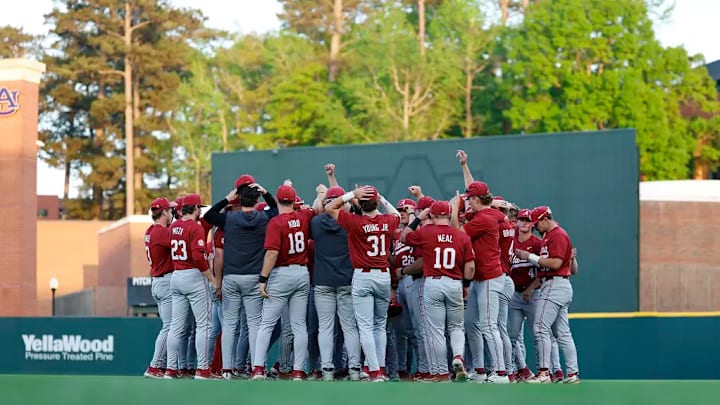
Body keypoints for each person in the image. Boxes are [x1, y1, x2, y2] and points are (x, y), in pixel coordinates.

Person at [203, 175, 278, 379]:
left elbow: (209, 215)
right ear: (256, 201)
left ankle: (227, 369)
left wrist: (228, 198)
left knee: (230, 324)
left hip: (231, 278)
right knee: (254, 324)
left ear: (239, 199)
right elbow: (277, 209)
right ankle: (256, 368)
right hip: (253, 278)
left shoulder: (229, 219)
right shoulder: (263, 218)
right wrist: (266, 193)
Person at [325, 186, 400, 382]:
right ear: (375, 202)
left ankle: (374, 371)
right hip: (383, 275)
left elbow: (331, 208)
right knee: (379, 325)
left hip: (363, 276)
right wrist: (382, 197)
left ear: (361, 203)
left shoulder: (355, 222)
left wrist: (351, 195)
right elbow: (397, 214)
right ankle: (380, 369)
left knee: (366, 327)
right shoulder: (387, 221)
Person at [402, 200, 475, 382]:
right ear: (450, 215)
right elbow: (470, 268)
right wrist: (466, 285)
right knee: (456, 327)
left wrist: (418, 218)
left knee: (436, 330)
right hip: (454, 283)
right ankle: (458, 356)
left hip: (433, 282)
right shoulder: (461, 236)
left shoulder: (427, 232)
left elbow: (404, 237)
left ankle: (441, 372)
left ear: (432, 215)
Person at [252, 185, 315, 381]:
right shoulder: (304, 216)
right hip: (302, 273)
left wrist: (263, 278)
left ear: (278, 201)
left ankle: (258, 369)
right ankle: (297, 370)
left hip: (281, 274)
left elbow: (272, 253)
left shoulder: (275, 222)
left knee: (266, 324)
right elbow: (316, 206)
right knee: (299, 325)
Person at [451, 182, 509, 384]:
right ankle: (480, 370)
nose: (468, 202)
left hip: (490, 277)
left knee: (489, 325)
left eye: (470, 199)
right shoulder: (489, 214)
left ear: (477, 199)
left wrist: (454, 209)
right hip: (480, 278)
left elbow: (457, 235)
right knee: (470, 323)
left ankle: (501, 372)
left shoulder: (485, 218)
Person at [515, 206, 580, 384]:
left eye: (537, 223)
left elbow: (556, 263)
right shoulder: (549, 237)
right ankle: (573, 373)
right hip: (556, 284)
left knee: (540, 327)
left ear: (545, 219)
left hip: (555, 284)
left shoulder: (557, 235)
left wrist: (530, 257)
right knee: (562, 333)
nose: (536, 227)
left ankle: (544, 373)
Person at [165, 193, 221, 380]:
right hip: (193, 275)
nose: (200, 211)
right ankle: (202, 369)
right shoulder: (194, 227)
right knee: (204, 325)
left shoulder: (173, 226)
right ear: (195, 208)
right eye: (199, 208)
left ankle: (171, 369)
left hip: (177, 274)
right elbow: (198, 257)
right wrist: (212, 278)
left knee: (176, 326)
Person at [311, 185, 362, 381]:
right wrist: (353, 200)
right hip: (346, 280)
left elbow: (318, 207)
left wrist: (322, 195)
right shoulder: (351, 222)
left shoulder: (316, 222)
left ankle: (327, 370)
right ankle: (355, 370)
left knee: (325, 327)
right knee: (349, 327)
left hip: (323, 281)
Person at [143, 197, 177, 378]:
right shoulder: (161, 232)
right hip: (164, 281)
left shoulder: (150, 230)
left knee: (170, 325)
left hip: (157, 280)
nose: (172, 213)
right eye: (170, 211)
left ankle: (162, 366)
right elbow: (180, 241)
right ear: (163, 212)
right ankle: (154, 366)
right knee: (170, 327)